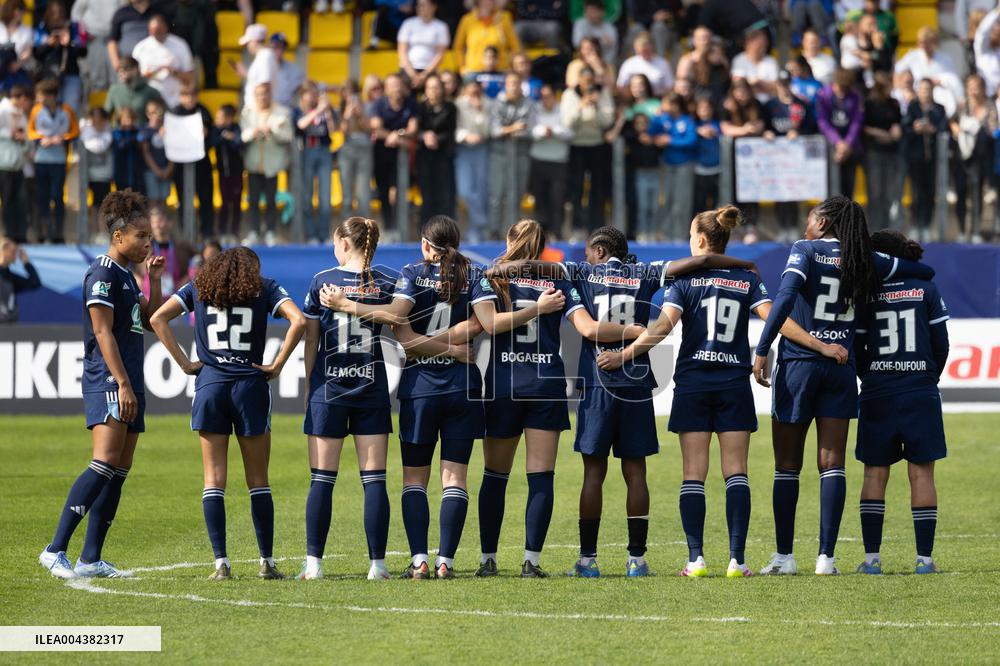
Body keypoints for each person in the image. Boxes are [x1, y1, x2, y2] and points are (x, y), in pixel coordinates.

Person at [486, 225, 760, 578]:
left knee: (593, 472)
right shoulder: (644, 271)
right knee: (636, 471)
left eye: (587, 251)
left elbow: (528, 268)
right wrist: (746, 264)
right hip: (636, 384)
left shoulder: (582, 272)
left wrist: (496, 270)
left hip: (599, 382)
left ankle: (588, 560)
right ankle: (637, 560)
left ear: (599, 251)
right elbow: (702, 259)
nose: (584, 257)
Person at [598, 207, 841, 577]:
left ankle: (695, 560)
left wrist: (624, 355)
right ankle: (737, 560)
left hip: (694, 384)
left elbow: (662, 328)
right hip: (733, 383)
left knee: (693, 473)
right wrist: (820, 345)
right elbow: (774, 317)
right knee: (736, 472)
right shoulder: (746, 278)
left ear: (699, 240)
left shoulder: (684, 281)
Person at [752, 195, 935, 576]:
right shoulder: (863, 259)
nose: (806, 223)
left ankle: (785, 557)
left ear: (824, 222)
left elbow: (785, 297)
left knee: (787, 465)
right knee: (831, 464)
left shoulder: (805, 249)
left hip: (800, 367)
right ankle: (826, 558)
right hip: (840, 367)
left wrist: (763, 347)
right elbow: (924, 273)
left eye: (810, 216)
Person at [319, 215, 489, 579]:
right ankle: (446, 561)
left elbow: (404, 336)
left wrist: (349, 305)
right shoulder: (474, 275)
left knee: (414, 480)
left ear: (427, 245)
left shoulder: (411, 273)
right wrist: (454, 351)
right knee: (455, 479)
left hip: (420, 390)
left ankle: (419, 560)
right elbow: (480, 325)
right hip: (463, 386)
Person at [150, 246, 305, 580]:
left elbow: (157, 318)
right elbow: (299, 320)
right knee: (258, 481)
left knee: (213, 481)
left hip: (210, 386)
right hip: (250, 387)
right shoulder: (265, 287)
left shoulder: (199, 287)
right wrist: (277, 365)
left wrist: (186, 363)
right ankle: (266, 561)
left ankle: (221, 563)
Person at [38, 190, 165, 579]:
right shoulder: (103, 272)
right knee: (104, 461)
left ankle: (91, 558)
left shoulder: (127, 274)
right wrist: (123, 384)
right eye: (141, 236)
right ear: (118, 235)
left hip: (130, 379)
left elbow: (148, 319)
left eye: (149, 237)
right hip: (109, 379)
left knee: (119, 470)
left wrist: (153, 281)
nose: (148, 242)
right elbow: (101, 331)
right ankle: (55, 548)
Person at [471, 220, 578, 577]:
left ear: (508, 240)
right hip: (547, 383)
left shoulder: (492, 276)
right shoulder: (559, 276)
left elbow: (490, 325)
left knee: (495, 475)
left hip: (505, 383)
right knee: (541, 477)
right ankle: (531, 562)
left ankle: (489, 560)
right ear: (544, 244)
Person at [296, 217, 400, 580]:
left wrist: (310, 383)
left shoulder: (322, 282)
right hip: (371, 388)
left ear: (343, 242)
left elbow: (312, 340)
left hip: (330, 389)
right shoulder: (387, 280)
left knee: (322, 479)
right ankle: (378, 565)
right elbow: (401, 325)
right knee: (374, 480)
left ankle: (313, 565)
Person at [854, 230, 949, 576]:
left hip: (879, 391)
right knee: (921, 472)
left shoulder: (867, 293)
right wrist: (926, 378)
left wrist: (873, 376)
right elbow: (941, 345)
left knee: (874, 473)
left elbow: (857, 349)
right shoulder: (926, 288)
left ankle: (871, 560)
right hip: (919, 391)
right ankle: (924, 560)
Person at [764, 71, 817, 241]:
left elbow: (811, 127)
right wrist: (767, 133)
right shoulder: (770, 105)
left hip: (796, 157)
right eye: (781, 83)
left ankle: (793, 227)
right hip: (775, 156)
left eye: (786, 83)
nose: (784, 87)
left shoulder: (801, 104)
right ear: (776, 84)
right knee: (778, 191)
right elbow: (763, 125)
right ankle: (782, 227)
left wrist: (799, 132)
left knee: (794, 190)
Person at [240, 82, 294, 246]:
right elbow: (242, 135)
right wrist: (253, 132)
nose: (262, 97)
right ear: (255, 96)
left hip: (272, 165)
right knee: (253, 200)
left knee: (271, 200)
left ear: (271, 95)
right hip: (254, 164)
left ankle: (271, 231)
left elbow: (288, 136)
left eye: (265, 93)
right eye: (259, 94)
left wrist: (273, 132)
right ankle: (254, 232)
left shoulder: (282, 113)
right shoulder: (247, 113)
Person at [562, 66, 614, 233]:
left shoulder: (603, 93)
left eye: (591, 81)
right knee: (576, 188)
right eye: (585, 82)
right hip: (577, 146)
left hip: (597, 146)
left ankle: (596, 227)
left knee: (597, 189)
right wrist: (581, 106)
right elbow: (568, 122)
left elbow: (607, 122)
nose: (588, 85)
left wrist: (597, 106)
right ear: (579, 81)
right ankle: (577, 227)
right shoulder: (570, 95)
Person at [28, 77, 78, 244]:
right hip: (41, 159)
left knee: (57, 196)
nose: (39, 99)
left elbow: (75, 131)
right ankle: (43, 233)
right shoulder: (36, 110)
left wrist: (62, 138)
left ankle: (58, 234)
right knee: (42, 197)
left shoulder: (66, 110)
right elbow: (31, 131)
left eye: (41, 95)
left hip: (59, 160)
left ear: (52, 96)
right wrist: (42, 138)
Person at [951, 74, 997, 243]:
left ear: (983, 88)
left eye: (976, 86)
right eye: (970, 85)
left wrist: (978, 124)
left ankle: (976, 229)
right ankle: (962, 230)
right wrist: (957, 129)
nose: (973, 89)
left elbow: (993, 130)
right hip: (962, 157)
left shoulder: (989, 106)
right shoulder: (962, 105)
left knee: (977, 193)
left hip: (980, 159)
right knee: (961, 192)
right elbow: (952, 122)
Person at [369, 73, 417, 233]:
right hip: (381, 154)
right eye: (393, 86)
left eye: (399, 85)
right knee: (383, 191)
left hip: (402, 154)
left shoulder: (411, 104)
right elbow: (376, 128)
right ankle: (389, 227)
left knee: (400, 189)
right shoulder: (379, 104)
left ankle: (400, 227)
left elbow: (413, 129)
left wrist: (397, 135)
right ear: (386, 89)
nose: (396, 89)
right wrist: (394, 136)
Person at [901, 79, 947, 242]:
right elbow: (905, 128)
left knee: (930, 192)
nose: (925, 92)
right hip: (915, 157)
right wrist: (915, 128)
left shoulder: (939, 108)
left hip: (932, 158)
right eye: (922, 89)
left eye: (928, 89)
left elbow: (943, 127)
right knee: (915, 192)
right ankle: (915, 225)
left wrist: (932, 129)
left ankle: (927, 225)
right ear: (918, 91)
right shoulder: (912, 107)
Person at [489, 71, 535, 231]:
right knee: (496, 195)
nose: (514, 87)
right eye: (511, 84)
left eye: (517, 83)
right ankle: (493, 232)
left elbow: (530, 130)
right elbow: (494, 131)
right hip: (499, 155)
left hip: (520, 155)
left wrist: (506, 129)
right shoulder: (496, 104)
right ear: (505, 85)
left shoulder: (528, 103)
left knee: (517, 195)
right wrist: (514, 128)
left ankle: (514, 234)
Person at [649, 92, 697, 241]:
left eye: (668, 104)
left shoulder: (687, 121)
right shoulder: (662, 119)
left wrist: (670, 141)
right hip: (667, 165)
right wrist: (656, 117)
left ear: (676, 106)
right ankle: (665, 234)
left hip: (684, 166)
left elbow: (691, 140)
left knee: (681, 202)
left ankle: (680, 235)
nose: (664, 107)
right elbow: (650, 132)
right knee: (666, 200)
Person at [295, 81, 338, 244]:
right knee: (307, 195)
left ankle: (323, 234)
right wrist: (318, 110)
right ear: (303, 95)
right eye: (310, 93)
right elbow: (301, 125)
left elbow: (334, 131)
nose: (313, 96)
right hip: (306, 151)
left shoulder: (325, 110)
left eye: (315, 93)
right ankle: (311, 234)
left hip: (324, 152)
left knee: (325, 196)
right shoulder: (299, 110)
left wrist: (326, 111)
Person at [170, 84, 214, 239]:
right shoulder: (174, 112)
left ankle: (206, 232)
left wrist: (206, 133)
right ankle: (185, 233)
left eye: (192, 95)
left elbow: (212, 137)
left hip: (201, 164)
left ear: (197, 96)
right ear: (180, 97)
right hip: (181, 165)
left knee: (205, 199)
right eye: (185, 95)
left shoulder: (203, 111)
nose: (189, 99)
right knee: (183, 200)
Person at [528, 84, 571, 236]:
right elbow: (529, 131)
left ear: (555, 97)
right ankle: (540, 235)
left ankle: (557, 233)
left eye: (548, 97)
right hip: (538, 160)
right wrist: (541, 132)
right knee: (540, 199)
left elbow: (570, 132)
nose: (545, 100)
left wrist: (554, 131)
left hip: (558, 161)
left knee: (557, 199)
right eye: (543, 97)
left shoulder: (563, 110)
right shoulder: (534, 109)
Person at [414, 73, 457, 224]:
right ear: (425, 90)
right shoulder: (420, 108)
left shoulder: (450, 108)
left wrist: (435, 138)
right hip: (425, 158)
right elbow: (415, 130)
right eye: (430, 88)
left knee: (444, 197)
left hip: (444, 158)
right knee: (427, 197)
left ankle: (446, 234)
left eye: (437, 88)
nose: (434, 91)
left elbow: (451, 131)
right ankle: (426, 234)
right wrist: (424, 136)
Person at [32, 0, 87, 115]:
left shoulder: (73, 27)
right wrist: (49, 44)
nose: (56, 17)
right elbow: (36, 54)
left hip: (70, 73)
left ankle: (69, 133)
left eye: (59, 13)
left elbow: (83, 52)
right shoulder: (41, 28)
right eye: (53, 14)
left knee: (69, 110)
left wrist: (69, 44)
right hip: (49, 76)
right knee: (47, 110)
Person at [862, 71, 902, 231]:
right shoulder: (869, 103)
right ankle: (873, 227)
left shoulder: (894, 103)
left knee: (888, 193)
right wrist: (879, 133)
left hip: (891, 152)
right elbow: (864, 127)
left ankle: (886, 228)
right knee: (875, 193)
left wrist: (896, 129)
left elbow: (897, 122)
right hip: (874, 152)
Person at [816, 68, 863, 199]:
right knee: (831, 188)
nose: (842, 92)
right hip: (830, 146)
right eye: (840, 88)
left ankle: (847, 217)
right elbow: (822, 122)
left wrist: (847, 144)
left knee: (848, 189)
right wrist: (838, 142)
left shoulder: (855, 96)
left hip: (850, 148)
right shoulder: (823, 95)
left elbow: (856, 122)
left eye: (845, 89)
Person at [131, 14, 195, 110]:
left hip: (175, 100)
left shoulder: (180, 45)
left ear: (166, 28)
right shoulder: (140, 48)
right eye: (153, 31)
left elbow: (191, 77)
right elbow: (132, 79)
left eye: (159, 31)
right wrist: (147, 75)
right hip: (149, 102)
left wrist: (174, 72)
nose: (156, 34)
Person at [455, 80, 492, 242]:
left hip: (483, 149)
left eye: (476, 93)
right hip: (463, 149)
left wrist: (480, 111)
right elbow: (454, 128)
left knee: (482, 191)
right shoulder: (458, 105)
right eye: (470, 93)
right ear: (465, 91)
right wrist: (465, 136)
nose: (473, 97)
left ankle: (476, 232)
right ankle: (481, 222)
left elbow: (489, 130)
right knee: (465, 191)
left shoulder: (488, 105)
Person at [140, 204, 196, 297]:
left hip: (176, 297)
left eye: (160, 220)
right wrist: (138, 280)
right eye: (154, 222)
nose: (157, 225)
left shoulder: (182, 245)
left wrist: (187, 278)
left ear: (170, 223)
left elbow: (199, 260)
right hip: (149, 297)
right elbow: (130, 267)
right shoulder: (144, 246)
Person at [453, 0, 521, 75]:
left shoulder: (504, 18)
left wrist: (511, 66)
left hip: (500, 70)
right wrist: (462, 68)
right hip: (473, 71)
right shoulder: (467, 20)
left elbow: (515, 46)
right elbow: (458, 47)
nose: (487, 2)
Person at [338, 80, 373, 220]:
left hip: (364, 149)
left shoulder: (367, 107)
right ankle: (346, 230)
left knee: (363, 194)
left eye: (352, 92)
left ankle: (365, 230)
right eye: (346, 92)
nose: (350, 96)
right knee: (346, 195)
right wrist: (347, 115)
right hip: (347, 149)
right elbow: (342, 132)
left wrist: (360, 113)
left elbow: (369, 129)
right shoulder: (341, 109)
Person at [0, 84, 30, 243]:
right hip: (4, 165)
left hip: (18, 165)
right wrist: (10, 134)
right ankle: (10, 235)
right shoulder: (2, 110)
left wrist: (22, 139)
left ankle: (20, 234)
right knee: (8, 201)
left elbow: (25, 138)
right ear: (21, 98)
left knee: (20, 201)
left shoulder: (21, 115)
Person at [675, 26, 731, 112]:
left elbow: (728, 78)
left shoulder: (719, 58)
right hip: (698, 106)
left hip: (720, 104)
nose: (705, 41)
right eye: (702, 38)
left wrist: (721, 60)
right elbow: (681, 85)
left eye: (708, 37)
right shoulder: (687, 60)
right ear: (694, 41)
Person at [398, 0, 450, 89]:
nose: (420, 8)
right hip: (408, 70)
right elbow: (402, 51)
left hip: (430, 71)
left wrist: (425, 74)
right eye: (418, 5)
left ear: (434, 7)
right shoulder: (408, 24)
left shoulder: (441, 27)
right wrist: (413, 75)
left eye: (423, 5)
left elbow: (440, 54)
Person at [210, 104, 243, 244]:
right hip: (223, 173)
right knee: (224, 202)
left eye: (220, 117)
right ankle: (222, 231)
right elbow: (212, 143)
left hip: (236, 173)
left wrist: (231, 138)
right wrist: (222, 137)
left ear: (229, 118)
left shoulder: (236, 128)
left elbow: (239, 143)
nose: (217, 120)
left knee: (236, 202)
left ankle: (235, 231)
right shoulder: (216, 131)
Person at [108, 0, 171, 72]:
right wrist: (116, 64)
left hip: (153, 66)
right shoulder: (121, 13)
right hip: (128, 67)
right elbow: (112, 41)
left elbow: (168, 37)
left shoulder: (159, 12)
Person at [81, 107, 114, 238]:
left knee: (104, 205)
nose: (96, 121)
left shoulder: (109, 133)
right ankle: (93, 233)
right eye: (93, 119)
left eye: (99, 119)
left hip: (105, 176)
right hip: (89, 176)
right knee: (94, 205)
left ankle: (102, 233)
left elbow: (101, 146)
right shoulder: (86, 133)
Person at [104, 57, 165, 126]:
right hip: (120, 134)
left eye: (125, 68)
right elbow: (105, 116)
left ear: (136, 69)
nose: (121, 72)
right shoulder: (114, 90)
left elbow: (162, 115)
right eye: (119, 70)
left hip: (144, 134)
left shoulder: (151, 92)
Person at [616, 31, 674, 97]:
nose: (644, 54)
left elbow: (669, 87)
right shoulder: (629, 64)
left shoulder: (663, 63)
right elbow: (621, 86)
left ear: (652, 47)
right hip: (635, 102)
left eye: (646, 50)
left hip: (657, 100)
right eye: (640, 51)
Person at [139, 99, 172, 205]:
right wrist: (156, 170)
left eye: (158, 112)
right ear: (147, 114)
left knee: (163, 200)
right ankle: (154, 222)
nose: (155, 115)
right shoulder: (145, 130)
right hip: (151, 171)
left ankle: (162, 222)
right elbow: (146, 152)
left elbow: (174, 150)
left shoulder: (169, 129)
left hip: (166, 169)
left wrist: (169, 169)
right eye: (151, 113)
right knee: (153, 200)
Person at [0, 237, 41, 323]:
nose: (15, 254)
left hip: (9, 326)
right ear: (2, 250)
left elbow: (35, 283)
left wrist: (26, 263)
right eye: (12, 251)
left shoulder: (11, 277)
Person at [731, 29, 778, 102]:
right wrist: (765, 85)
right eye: (760, 44)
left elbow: (776, 88)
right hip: (748, 103)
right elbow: (738, 85)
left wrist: (757, 82)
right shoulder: (739, 60)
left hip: (769, 104)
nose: (763, 46)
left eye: (765, 43)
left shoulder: (771, 61)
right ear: (749, 43)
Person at [236, 24, 278, 107]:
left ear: (254, 41)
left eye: (248, 42)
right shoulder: (263, 56)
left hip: (257, 110)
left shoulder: (265, 56)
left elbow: (264, 86)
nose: (247, 46)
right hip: (256, 109)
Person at [693, 95, 722, 215]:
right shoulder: (693, 125)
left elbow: (722, 132)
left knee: (715, 204)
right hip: (700, 170)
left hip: (716, 170)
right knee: (700, 203)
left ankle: (714, 231)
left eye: (708, 108)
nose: (705, 112)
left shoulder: (718, 124)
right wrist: (697, 131)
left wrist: (715, 133)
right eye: (702, 109)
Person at [112, 106, 144, 196]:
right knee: (122, 198)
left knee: (136, 199)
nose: (128, 122)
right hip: (121, 174)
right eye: (124, 120)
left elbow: (141, 143)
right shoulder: (117, 133)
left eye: (130, 119)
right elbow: (121, 145)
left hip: (136, 174)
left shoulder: (138, 132)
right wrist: (134, 139)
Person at [268, 33, 305, 109]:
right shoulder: (262, 66)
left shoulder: (292, 69)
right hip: (265, 109)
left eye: (282, 47)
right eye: (275, 47)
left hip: (285, 109)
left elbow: (305, 86)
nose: (279, 50)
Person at [973, 7, 1000, 96]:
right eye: (993, 31)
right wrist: (997, 11)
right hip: (988, 96)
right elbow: (983, 32)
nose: (997, 32)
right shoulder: (982, 50)